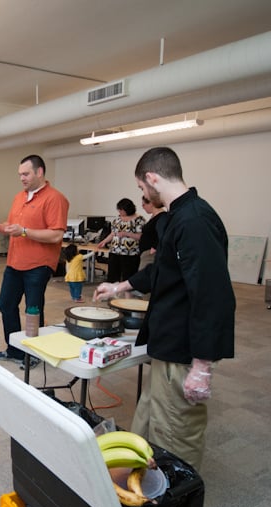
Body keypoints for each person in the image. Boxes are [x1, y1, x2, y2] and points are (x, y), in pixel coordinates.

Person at [94, 147, 235, 470]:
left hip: (182, 350)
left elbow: (212, 295)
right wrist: (120, 286)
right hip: (166, 343)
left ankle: (177, 491)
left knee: (176, 435)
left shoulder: (194, 221)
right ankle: (147, 485)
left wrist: (202, 366)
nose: (143, 195)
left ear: (152, 178)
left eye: (141, 187)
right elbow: (164, 271)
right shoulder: (176, 216)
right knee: (149, 424)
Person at [0, 154, 69, 368]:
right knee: (6, 304)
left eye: (26, 174)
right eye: (20, 174)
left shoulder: (55, 198)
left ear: (39, 172)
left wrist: (24, 231)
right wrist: (1, 227)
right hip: (14, 262)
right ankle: (14, 350)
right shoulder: (19, 197)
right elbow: (14, 225)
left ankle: (34, 353)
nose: (21, 178)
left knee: (33, 311)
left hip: (38, 265)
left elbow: (56, 235)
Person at [97, 197, 145, 282]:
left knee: (128, 276)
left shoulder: (139, 220)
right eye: (119, 210)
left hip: (130, 253)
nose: (119, 212)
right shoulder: (117, 219)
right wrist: (104, 241)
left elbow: (141, 236)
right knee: (113, 276)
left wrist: (126, 234)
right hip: (115, 251)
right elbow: (112, 234)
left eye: (121, 210)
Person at [138, 195, 166, 270]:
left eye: (144, 204)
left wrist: (155, 247)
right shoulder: (154, 216)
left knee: (144, 275)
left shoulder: (162, 216)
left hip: (151, 254)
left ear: (151, 203)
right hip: (147, 252)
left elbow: (164, 233)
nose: (143, 207)